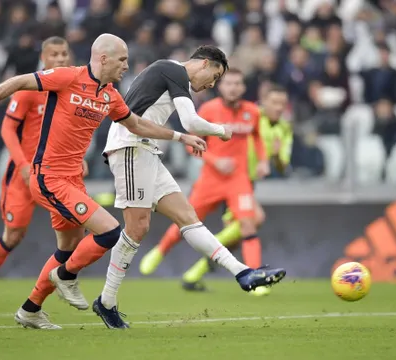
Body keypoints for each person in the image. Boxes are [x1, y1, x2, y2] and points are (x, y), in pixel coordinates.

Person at [0, 33, 208, 329]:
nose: (127, 66)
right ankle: (65, 276)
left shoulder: (110, 95)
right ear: (104, 58)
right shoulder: (67, 78)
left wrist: (180, 136)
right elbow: (18, 82)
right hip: (49, 176)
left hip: (73, 178)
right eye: (122, 59)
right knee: (110, 231)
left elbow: (137, 124)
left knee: (67, 249)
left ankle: (30, 309)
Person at [47, 47, 287, 330]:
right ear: (205, 63)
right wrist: (222, 130)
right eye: (215, 75)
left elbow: (177, 123)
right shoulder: (173, 69)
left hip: (146, 150)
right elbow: (191, 122)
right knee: (137, 228)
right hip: (129, 148)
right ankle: (88, 288)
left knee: (188, 218)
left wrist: (185, 137)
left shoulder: (171, 74)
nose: (213, 84)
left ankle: (243, 273)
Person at [138, 67, 270, 288]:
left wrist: (263, 160)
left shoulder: (252, 112)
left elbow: (257, 138)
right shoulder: (208, 109)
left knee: (248, 224)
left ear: (244, 87)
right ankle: (161, 250)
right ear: (220, 86)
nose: (234, 88)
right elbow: (191, 145)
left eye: (238, 84)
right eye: (229, 83)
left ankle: (256, 278)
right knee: (186, 219)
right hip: (210, 179)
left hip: (238, 180)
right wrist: (215, 160)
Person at [0, 36, 79, 309]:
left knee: (76, 225)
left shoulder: (71, 88)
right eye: (54, 54)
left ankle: (63, 281)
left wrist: (78, 158)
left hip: (56, 173)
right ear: (44, 58)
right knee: (14, 235)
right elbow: (8, 129)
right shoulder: (29, 89)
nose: (60, 59)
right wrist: (22, 164)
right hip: (24, 175)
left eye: (64, 54)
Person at [179, 83, 292, 296]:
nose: (278, 107)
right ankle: (250, 278)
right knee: (253, 221)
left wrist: (274, 157)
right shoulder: (248, 114)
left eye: (283, 104)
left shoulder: (284, 128)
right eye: (274, 102)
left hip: (246, 184)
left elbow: (282, 166)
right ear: (263, 101)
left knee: (239, 236)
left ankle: (193, 275)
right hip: (228, 180)